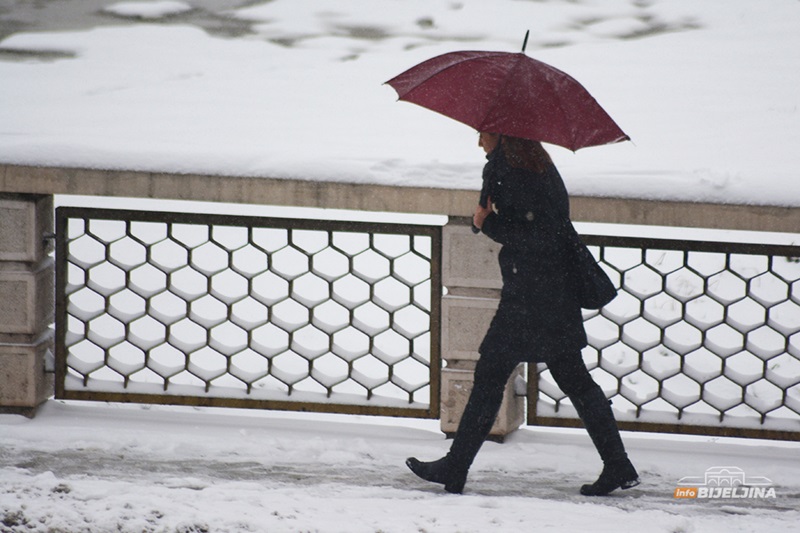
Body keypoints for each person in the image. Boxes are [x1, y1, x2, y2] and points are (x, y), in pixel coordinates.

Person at [406, 132, 640, 496]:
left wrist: (488, 223)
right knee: (574, 382)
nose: (478, 141)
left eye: (482, 133)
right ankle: (618, 464)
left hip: (531, 298)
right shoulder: (535, 163)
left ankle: (456, 465)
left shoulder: (513, 170)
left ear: (499, 133)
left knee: (491, 377)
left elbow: (534, 234)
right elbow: (544, 227)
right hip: (549, 292)